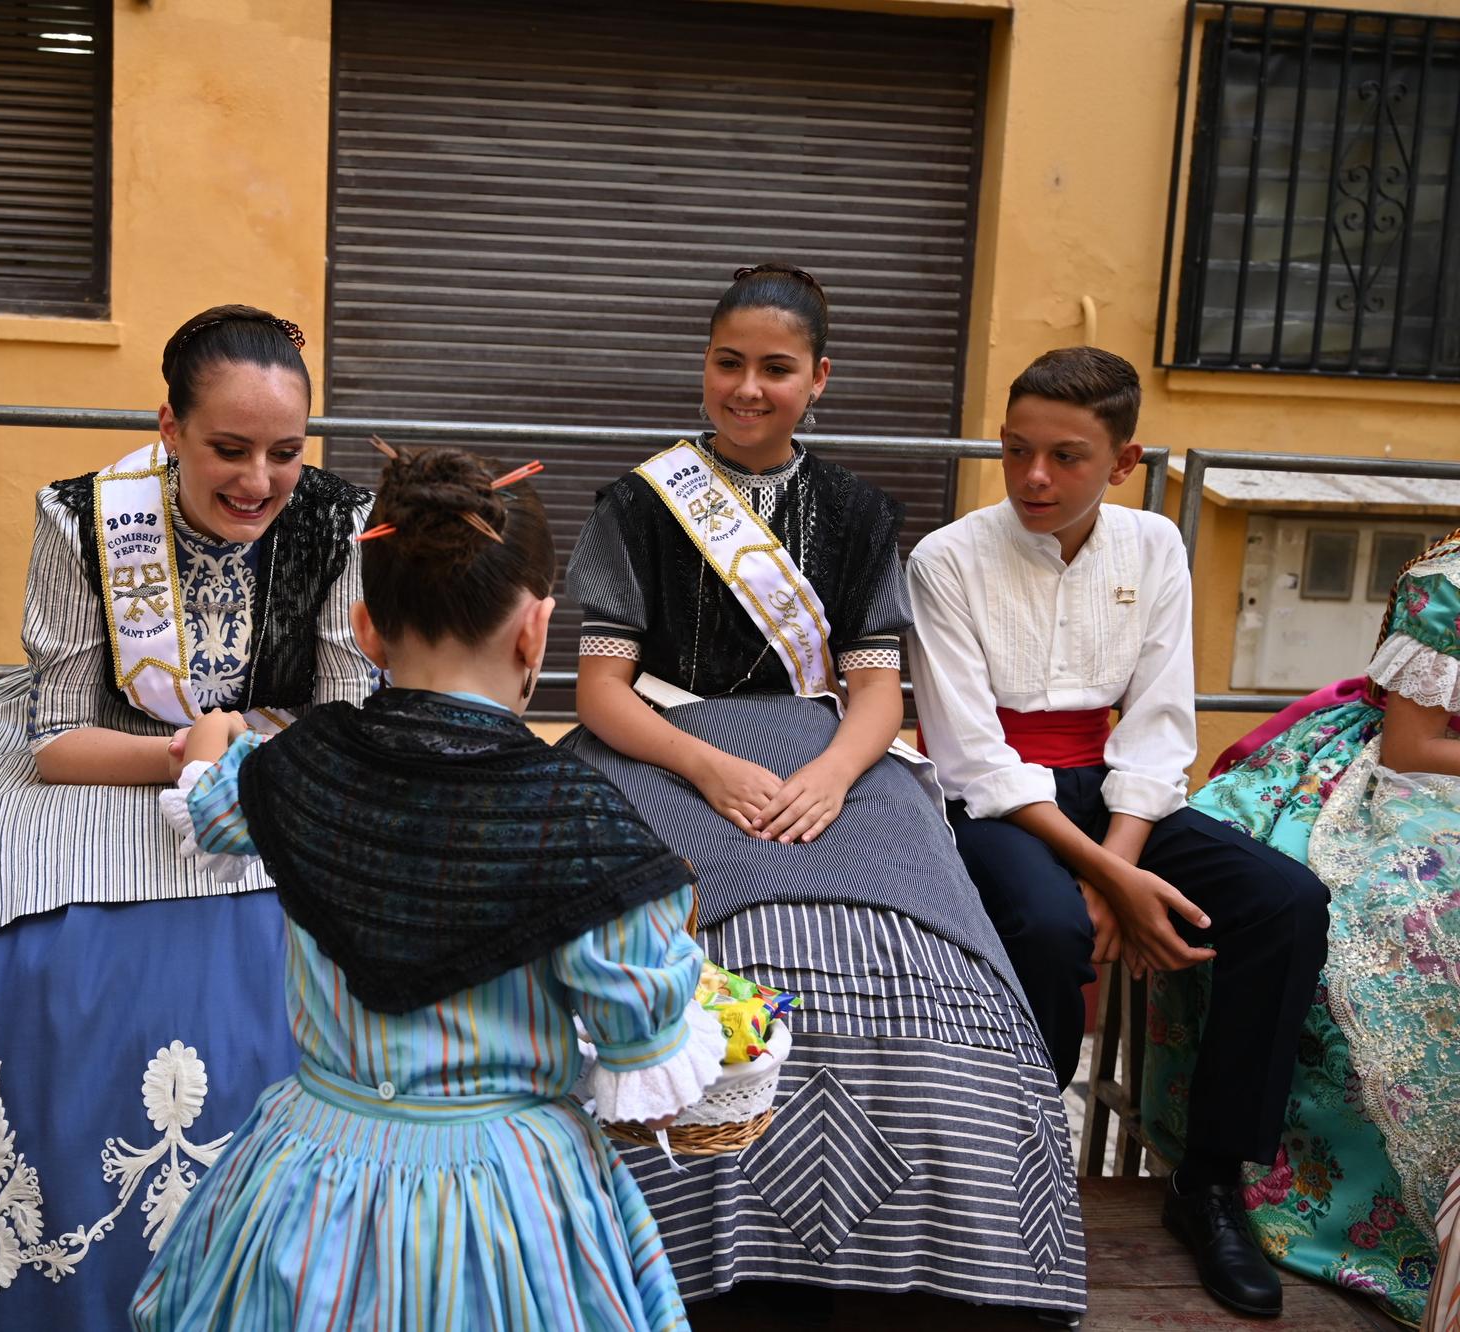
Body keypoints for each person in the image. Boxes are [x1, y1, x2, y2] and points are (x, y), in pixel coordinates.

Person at [0, 305, 374, 1328]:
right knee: (1, 961)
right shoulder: (83, 516)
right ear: (168, 425)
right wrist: (184, 755)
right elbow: (59, 739)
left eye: (284, 452)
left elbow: (343, 714)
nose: (256, 481)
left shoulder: (337, 520)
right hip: (107, 751)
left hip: (283, 759)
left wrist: (242, 761)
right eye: (227, 449)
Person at [562, 264, 1084, 1320]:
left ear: (817, 379)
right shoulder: (638, 502)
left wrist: (832, 776)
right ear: (702, 364)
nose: (745, 388)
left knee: (924, 906)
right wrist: (704, 764)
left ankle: (963, 1241)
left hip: (830, 753)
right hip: (658, 750)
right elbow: (601, 692)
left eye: (774, 369)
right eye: (726, 363)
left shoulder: (854, 512)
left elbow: (875, 692)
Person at [131, 444, 717, 1330]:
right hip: (509, 1194)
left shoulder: (300, 768)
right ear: (536, 630)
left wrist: (211, 740)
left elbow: (213, 806)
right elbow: (642, 1034)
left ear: (365, 629)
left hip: (313, 1166)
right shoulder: (579, 823)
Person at [907, 345, 1331, 1317]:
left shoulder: (1153, 547)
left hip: (1110, 793)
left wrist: (1116, 876)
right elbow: (971, 758)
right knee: (1048, 926)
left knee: (1281, 901)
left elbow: (1155, 729)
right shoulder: (947, 559)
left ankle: (1210, 1179)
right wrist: (1098, 882)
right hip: (993, 801)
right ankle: (1021, 1173)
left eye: (1064, 456)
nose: (1033, 478)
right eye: (1014, 452)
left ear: (1123, 460)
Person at [1139, 527, 1460, 1325]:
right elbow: (1415, 744)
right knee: (1402, 928)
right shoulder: (1449, 587)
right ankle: (1244, 1188)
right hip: (1412, 777)